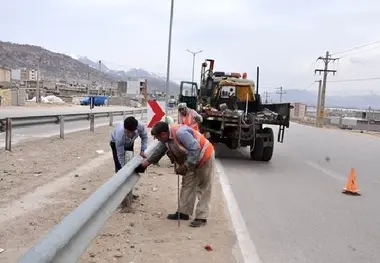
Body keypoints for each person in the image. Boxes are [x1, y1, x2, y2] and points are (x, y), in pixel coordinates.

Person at [139, 121, 215, 227]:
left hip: (204, 156)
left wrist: (185, 165)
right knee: (187, 185)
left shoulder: (180, 133)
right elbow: (158, 152)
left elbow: (195, 148)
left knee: (203, 187)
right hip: (191, 159)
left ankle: (201, 217)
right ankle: (183, 213)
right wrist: (145, 164)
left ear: (163, 134)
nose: (157, 140)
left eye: (157, 137)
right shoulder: (165, 139)